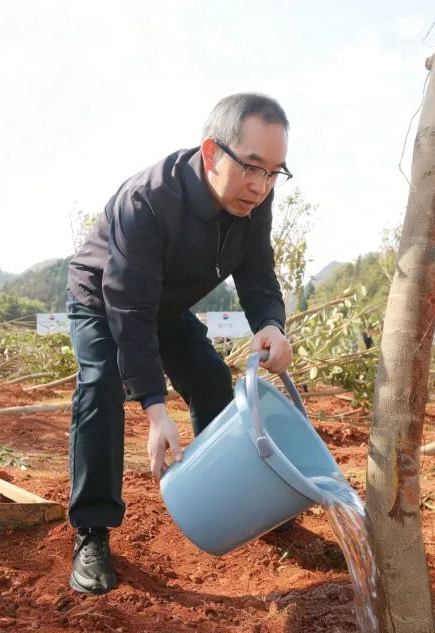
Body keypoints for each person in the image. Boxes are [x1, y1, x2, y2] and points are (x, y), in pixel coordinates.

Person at [65, 93, 295, 594]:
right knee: (102, 387)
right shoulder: (148, 200)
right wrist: (153, 407)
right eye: (253, 167)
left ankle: (234, 492)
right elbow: (128, 308)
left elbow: (257, 272)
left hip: (165, 304)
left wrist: (273, 324)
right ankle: (91, 531)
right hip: (105, 300)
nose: (261, 186)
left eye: (276, 172)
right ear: (212, 153)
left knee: (211, 376)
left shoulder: (256, 200)